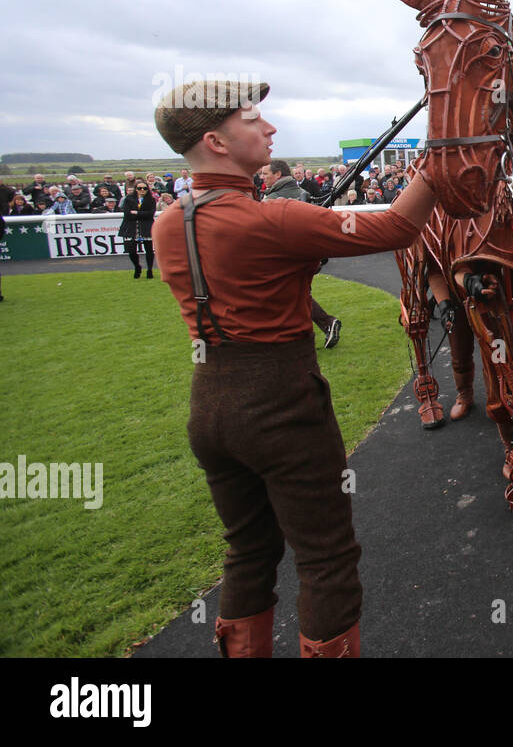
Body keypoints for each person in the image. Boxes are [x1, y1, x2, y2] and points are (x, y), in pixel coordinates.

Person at [151, 78, 440, 658]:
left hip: (209, 407)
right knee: (326, 556)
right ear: (217, 141)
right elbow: (397, 230)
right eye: (253, 120)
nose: (269, 127)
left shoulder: (168, 222)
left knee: (248, 550)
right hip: (282, 404)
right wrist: (437, 164)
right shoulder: (274, 218)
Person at [261, 160, 344, 348]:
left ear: (278, 175)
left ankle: (323, 326)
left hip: (286, 257)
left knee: (292, 295)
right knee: (297, 294)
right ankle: (323, 326)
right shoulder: (302, 193)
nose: (262, 177)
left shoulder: (271, 200)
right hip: (308, 254)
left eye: (266, 174)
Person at [119, 178, 157, 278]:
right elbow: (127, 214)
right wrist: (141, 214)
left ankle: (149, 269)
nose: (142, 190)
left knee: (149, 249)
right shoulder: (128, 199)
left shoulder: (151, 200)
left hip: (146, 227)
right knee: (131, 250)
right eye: (140, 188)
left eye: (144, 188)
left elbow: (150, 214)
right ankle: (137, 266)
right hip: (131, 227)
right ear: (136, 189)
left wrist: (137, 213)